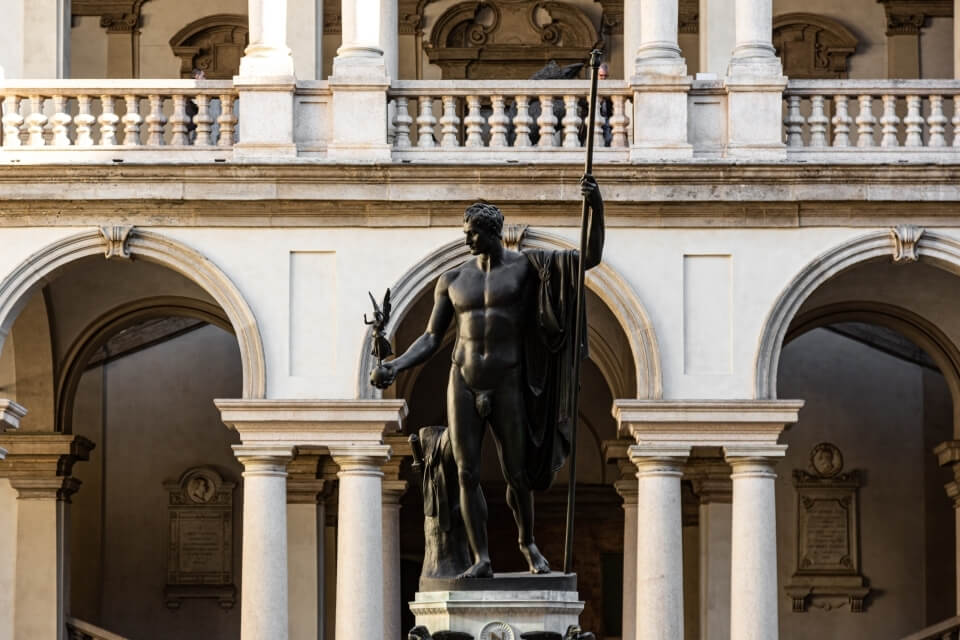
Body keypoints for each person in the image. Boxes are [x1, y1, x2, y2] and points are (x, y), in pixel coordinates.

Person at [372, 175, 604, 577]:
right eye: (466, 234)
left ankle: (527, 544)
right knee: (466, 471)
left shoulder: (528, 269)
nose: (467, 242)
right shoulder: (452, 279)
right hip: (462, 378)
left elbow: (588, 259)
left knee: (517, 472)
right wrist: (395, 366)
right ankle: (481, 558)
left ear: (492, 232)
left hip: (507, 379)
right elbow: (431, 337)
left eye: (474, 234)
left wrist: (596, 207)